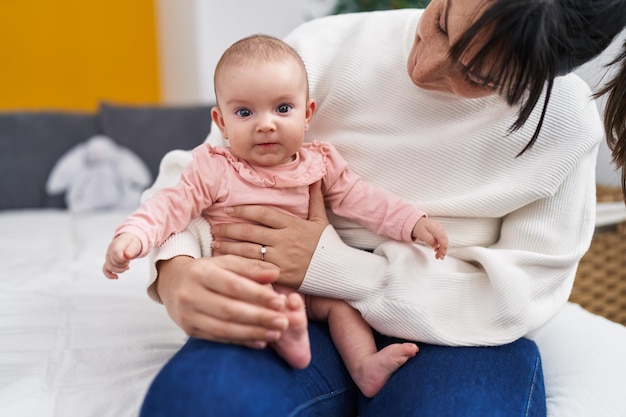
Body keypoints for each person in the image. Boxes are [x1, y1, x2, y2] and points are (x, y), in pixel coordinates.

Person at [138, 1, 626, 416]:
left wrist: (335, 268)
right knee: (197, 401)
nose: (425, 66)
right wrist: (175, 273)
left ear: (550, 73)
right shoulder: (322, 51)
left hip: (455, 331)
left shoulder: (564, 124)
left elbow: (520, 293)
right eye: (439, 22)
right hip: (292, 309)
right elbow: (198, 179)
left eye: (477, 76)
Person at [103, 34, 448, 397]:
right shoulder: (214, 169)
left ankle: (364, 366)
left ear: (307, 114)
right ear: (221, 122)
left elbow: (364, 200)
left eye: (283, 109)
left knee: (343, 309)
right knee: (250, 306)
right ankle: (288, 334)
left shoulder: (320, 163)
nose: (265, 124)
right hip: (248, 278)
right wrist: (134, 236)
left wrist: (413, 223)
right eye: (245, 112)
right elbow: (170, 206)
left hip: (315, 286)